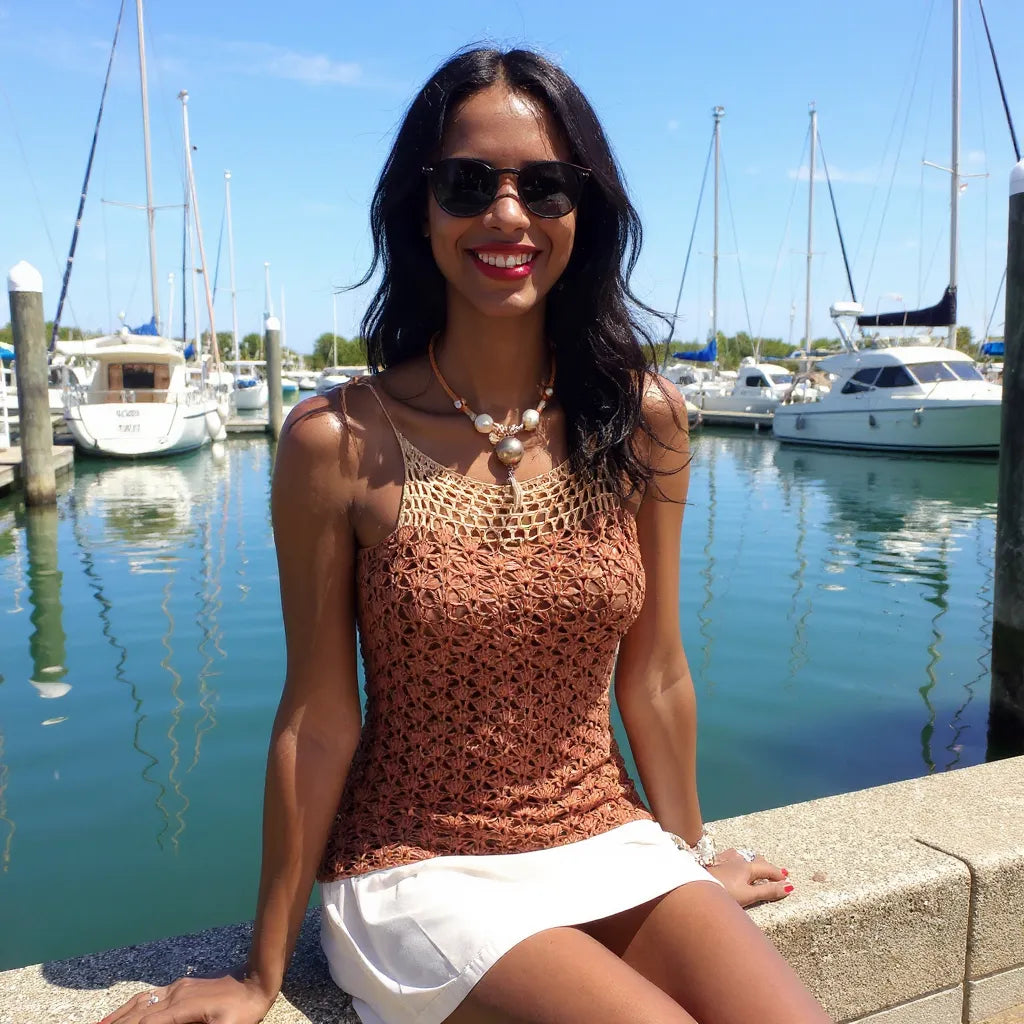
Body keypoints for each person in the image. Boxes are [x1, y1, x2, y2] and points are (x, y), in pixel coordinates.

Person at [101, 47, 831, 1024]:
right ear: (420, 207)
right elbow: (318, 717)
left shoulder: (642, 416)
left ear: (585, 210)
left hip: (605, 836)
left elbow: (654, 673)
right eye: (467, 183)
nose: (506, 215)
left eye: (544, 186)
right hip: (418, 865)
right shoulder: (337, 441)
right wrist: (260, 970)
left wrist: (689, 864)